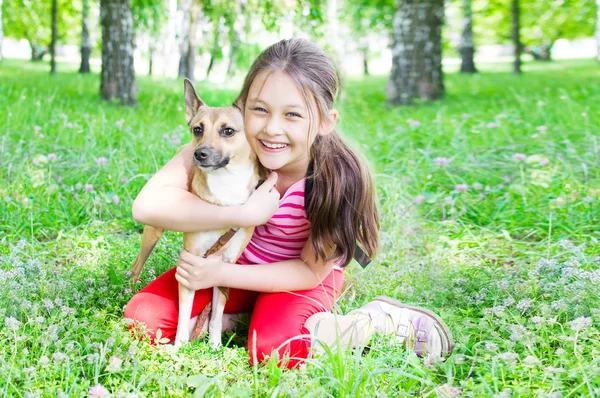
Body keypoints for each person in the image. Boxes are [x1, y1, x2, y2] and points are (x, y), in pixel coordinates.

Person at [125, 38, 454, 368]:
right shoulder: (223, 151)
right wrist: (244, 214)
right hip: (233, 268)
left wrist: (220, 273)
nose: (272, 129)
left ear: (325, 121)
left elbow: (309, 272)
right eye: (260, 109)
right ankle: (241, 316)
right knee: (144, 318)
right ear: (242, 109)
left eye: (293, 114)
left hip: (299, 276)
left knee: (274, 350)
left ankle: (371, 322)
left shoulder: (335, 177)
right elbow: (146, 207)